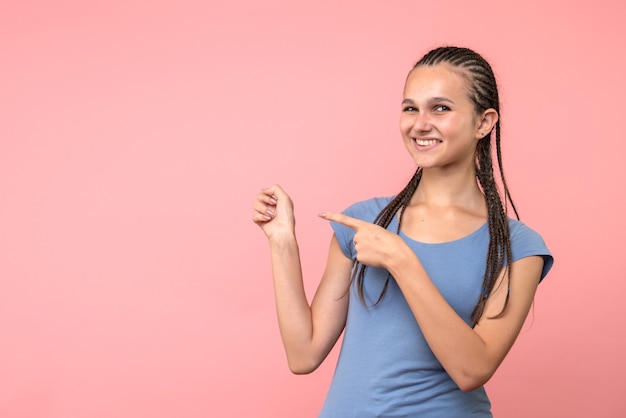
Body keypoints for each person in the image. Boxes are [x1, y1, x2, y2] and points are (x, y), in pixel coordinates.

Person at [252, 46, 553, 417]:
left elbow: (472, 369)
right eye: (410, 108)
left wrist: (402, 261)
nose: (419, 123)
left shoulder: (518, 246)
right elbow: (303, 354)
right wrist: (282, 242)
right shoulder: (365, 222)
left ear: (484, 122)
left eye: (441, 108)